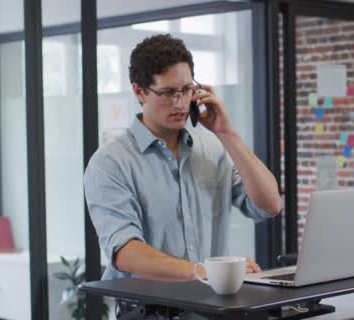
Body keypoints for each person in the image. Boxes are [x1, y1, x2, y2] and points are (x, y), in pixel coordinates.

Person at [83, 34, 282, 284]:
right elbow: (126, 253)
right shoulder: (110, 162)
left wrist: (227, 134)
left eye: (187, 90)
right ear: (139, 91)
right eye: (167, 93)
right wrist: (203, 272)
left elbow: (270, 205)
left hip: (211, 306)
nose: (180, 103)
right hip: (149, 310)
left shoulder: (211, 146)